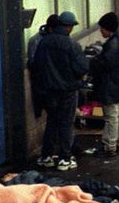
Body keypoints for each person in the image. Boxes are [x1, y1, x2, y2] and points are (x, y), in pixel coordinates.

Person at [31, 10, 89, 171]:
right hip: (67, 91)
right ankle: (64, 158)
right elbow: (82, 67)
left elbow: (37, 65)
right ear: (69, 27)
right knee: (65, 124)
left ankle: (46, 156)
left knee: (52, 122)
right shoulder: (72, 45)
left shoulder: (44, 42)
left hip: (48, 91)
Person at [90, 12, 119, 156]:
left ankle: (110, 145)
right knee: (116, 115)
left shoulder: (112, 45)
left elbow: (105, 64)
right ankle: (118, 141)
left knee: (111, 117)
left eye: (102, 29)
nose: (101, 31)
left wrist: (94, 61)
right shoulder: (118, 41)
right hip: (117, 85)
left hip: (110, 86)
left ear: (108, 29)